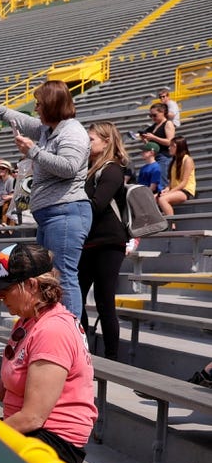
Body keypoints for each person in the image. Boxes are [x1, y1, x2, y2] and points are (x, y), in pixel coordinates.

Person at [0, 243, 98, 463]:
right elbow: (15, 392)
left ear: (31, 285)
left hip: (54, 444)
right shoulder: (28, 321)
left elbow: (33, 417)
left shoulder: (52, 331)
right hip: (33, 431)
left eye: (6, 288)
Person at [0, 80, 91, 320]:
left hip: (66, 211)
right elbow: (24, 122)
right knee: (47, 275)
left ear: (51, 105)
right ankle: (52, 325)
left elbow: (69, 167)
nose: (36, 109)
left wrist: (34, 152)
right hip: (50, 214)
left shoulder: (72, 131)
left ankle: (71, 333)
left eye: (39, 104)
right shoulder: (50, 130)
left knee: (63, 275)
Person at [80, 121, 130, 361]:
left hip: (108, 242)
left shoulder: (111, 169)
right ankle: (83, 351)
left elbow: (97, 205)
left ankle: (112, 360)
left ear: (107, 141)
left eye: (91, 139)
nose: (87, 143)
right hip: (89, 242)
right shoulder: (89, 169)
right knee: (75, 297)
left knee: (104, 302)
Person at [156, 135, 196, 223]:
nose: (169, 148)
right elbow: (171, 181)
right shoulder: (174, 161)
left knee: (162, 199)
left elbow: (184, 183)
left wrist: (169, 192)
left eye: (171, 146)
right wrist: (166, 189)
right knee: (153, 198)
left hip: (186, 191)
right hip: (176, 190)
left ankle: (172, 225)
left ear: (177, 146)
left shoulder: (187, 160)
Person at [139, 103, 175, 172]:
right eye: (151, 116)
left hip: (164, 156)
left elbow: (170, 142)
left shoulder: (168, 123)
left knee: (161, 180)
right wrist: (144, 140)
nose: (152, 118)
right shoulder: (153, 126)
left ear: (163, 112)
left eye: (155, 115)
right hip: (154, 156)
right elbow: (151, 143)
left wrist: (153, 137)